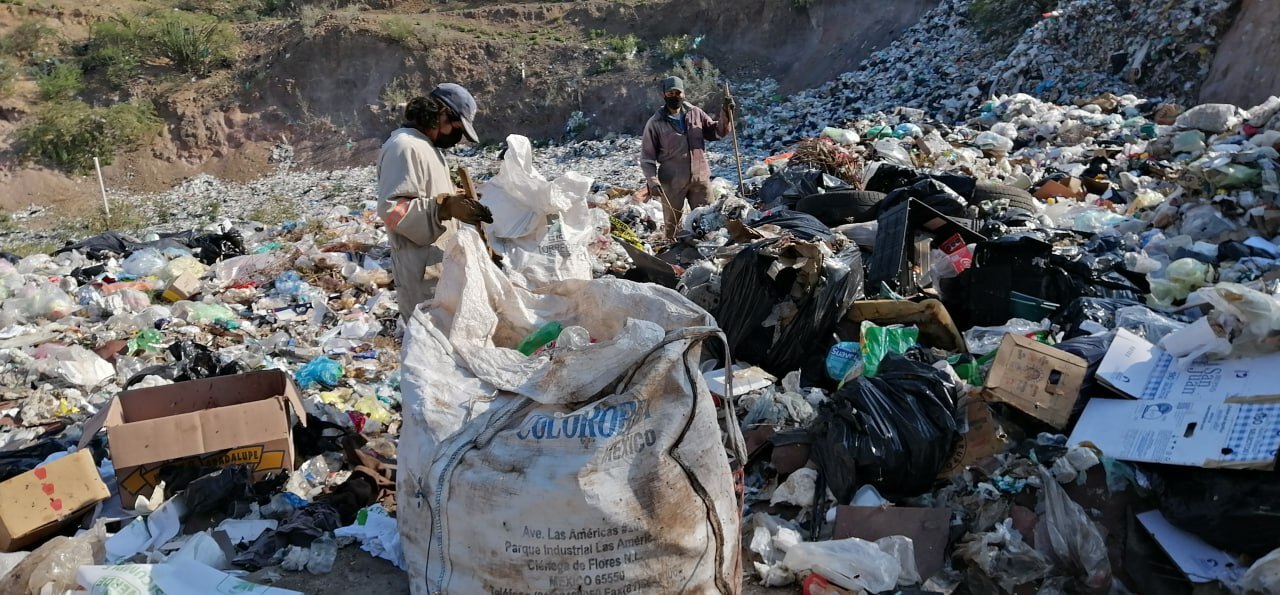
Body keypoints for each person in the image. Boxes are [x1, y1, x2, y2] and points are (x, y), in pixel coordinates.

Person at [376, 83, 492, 318]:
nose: (457, 137)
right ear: (440, 115)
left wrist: (459, 198)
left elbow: (428, 194)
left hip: (439, 269)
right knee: (429, 345)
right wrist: (444, 208)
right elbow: (392, 210)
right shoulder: (404, 146)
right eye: (457, 127)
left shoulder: (426, 147)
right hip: (421, 275)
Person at [640, 75, 735, 239]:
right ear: (663, 95)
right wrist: (652, 181)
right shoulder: (655, 123)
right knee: (673, 227)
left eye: (678, 92)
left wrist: (726, 113)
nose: (674, 96)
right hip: (672, 182)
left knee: (708, 220)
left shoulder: (695, 113)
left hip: (700, 179)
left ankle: (708, 252)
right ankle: (673, 254)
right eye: (670, 93)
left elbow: (717, 132)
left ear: (683, 94)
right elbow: (647, 158)